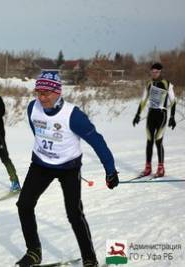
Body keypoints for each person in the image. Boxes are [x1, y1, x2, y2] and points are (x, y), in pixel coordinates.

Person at [15, 71, 119, 267]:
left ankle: (89, 259)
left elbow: (97, 141)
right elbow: (38, 132)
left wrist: (110, 170)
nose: (42, 98)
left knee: (74, 213)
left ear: (57, 92)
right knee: (24, 205)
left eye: (46, 93)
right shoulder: (32, 108)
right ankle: (34, 252)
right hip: (40, 164)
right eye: (39, 93)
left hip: (69, 168)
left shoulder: (73, 115)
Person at [132, 62, 176, 178]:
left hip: (162, 114)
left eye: (156, 72)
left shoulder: (167, 84)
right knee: (149, 140)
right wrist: (137, 115)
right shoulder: (149, 84)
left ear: (160, 72)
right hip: (151, 114)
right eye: (152, 72)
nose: (154, 74)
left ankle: (161, 168)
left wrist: (172, 117)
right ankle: (148, 167)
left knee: (158, 140)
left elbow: (173, 101)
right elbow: (143, 100)